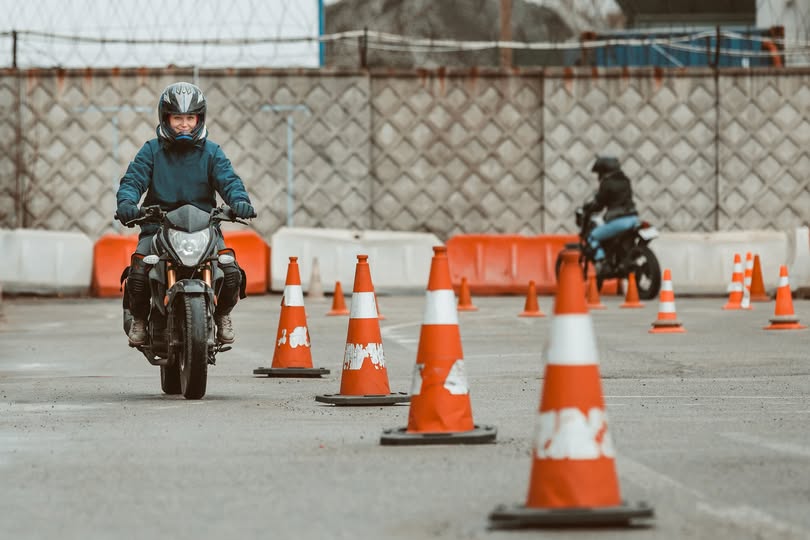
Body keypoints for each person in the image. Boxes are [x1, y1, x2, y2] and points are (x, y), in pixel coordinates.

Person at [116, 81, 256, 346]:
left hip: (205, 228)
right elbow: (133, 181)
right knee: (138, 271)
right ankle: (139, 319)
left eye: (190, 118)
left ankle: (223, 314)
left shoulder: (212, 152)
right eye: (177, 117)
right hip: (157, 227)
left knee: (231, 270)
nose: (184, 124)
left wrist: (239, 201)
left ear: (198, 119)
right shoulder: (151, 150)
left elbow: (229, 181)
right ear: (165, 118)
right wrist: (127, 203)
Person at [581, 155, 639, 273]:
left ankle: (602, 262)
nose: (599, 176)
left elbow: (599, 204)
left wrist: (588, 208)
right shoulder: (625, 180)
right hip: (633, 218)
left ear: (604, 171)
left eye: (599, 173)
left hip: (619, 221)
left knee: (591, 236)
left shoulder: (606, 183)